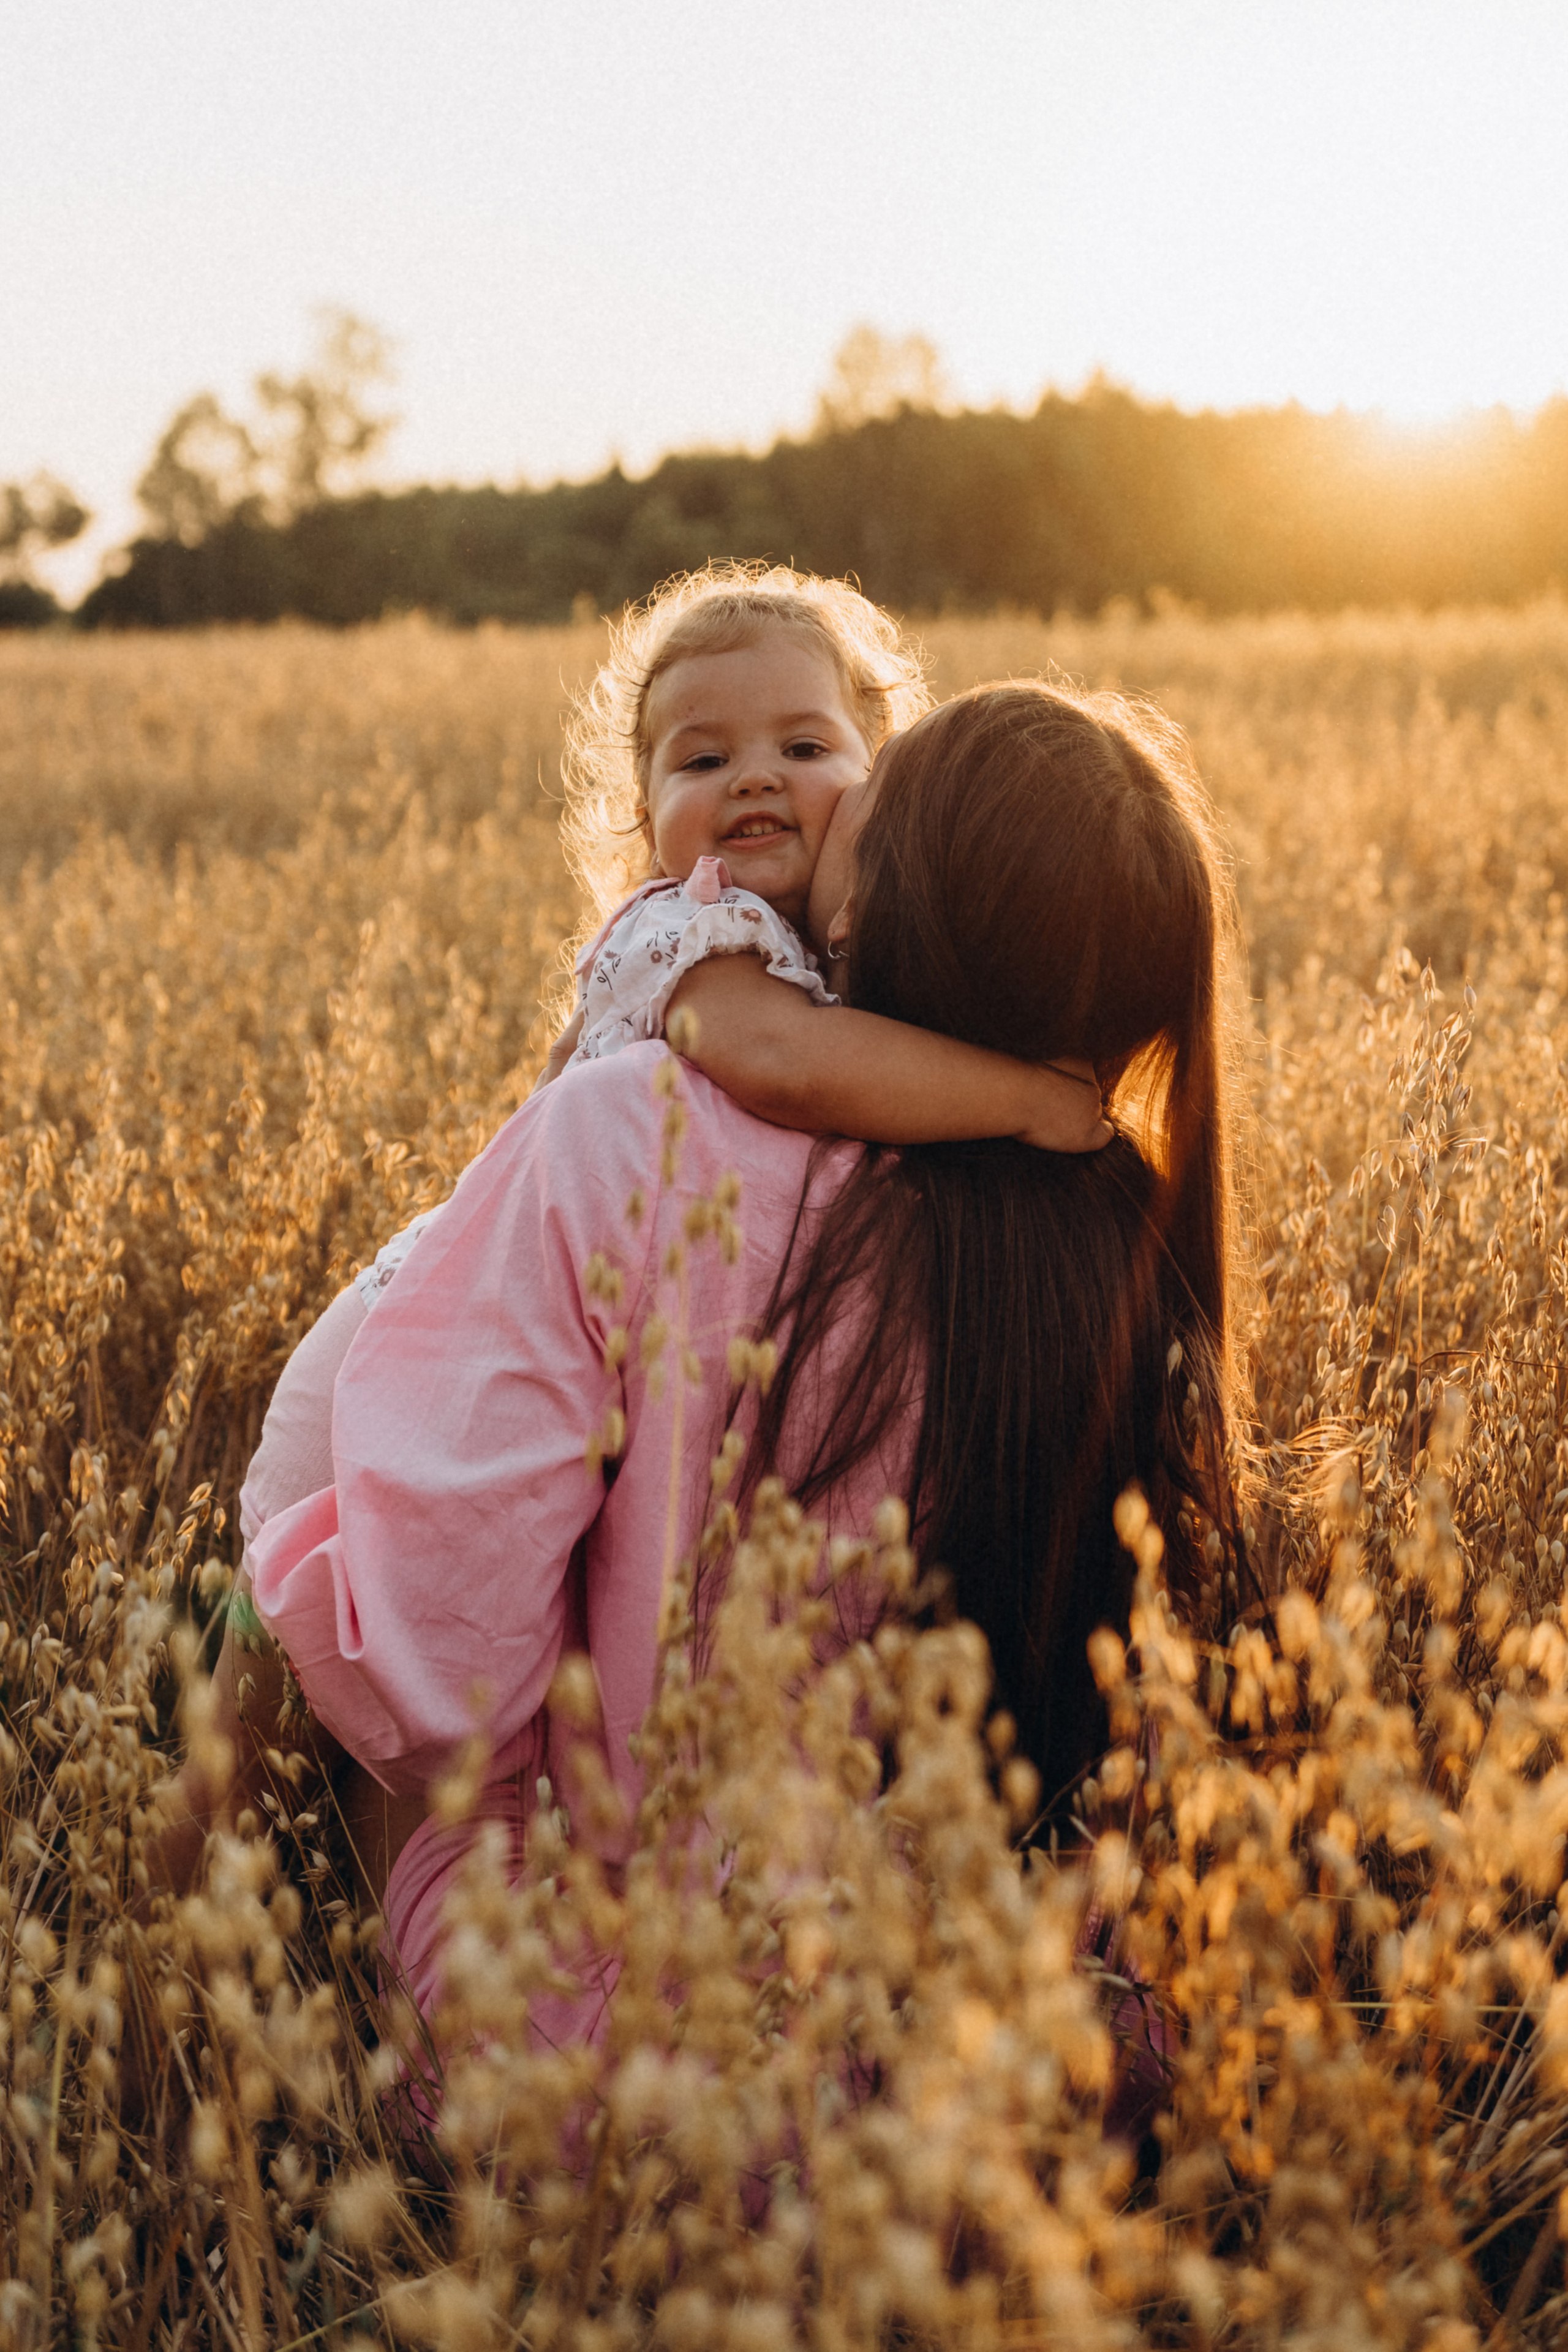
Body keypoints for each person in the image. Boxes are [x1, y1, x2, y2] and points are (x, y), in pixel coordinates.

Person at [239, 675, 1246, 2056]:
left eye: (856, 785)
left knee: (359, 1668)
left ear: (854, 909)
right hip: (1018, 2084)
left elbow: (447, 1673)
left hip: (649, 2077)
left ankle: (217, 2085)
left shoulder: (628, 1133)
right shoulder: (1140, 1233)